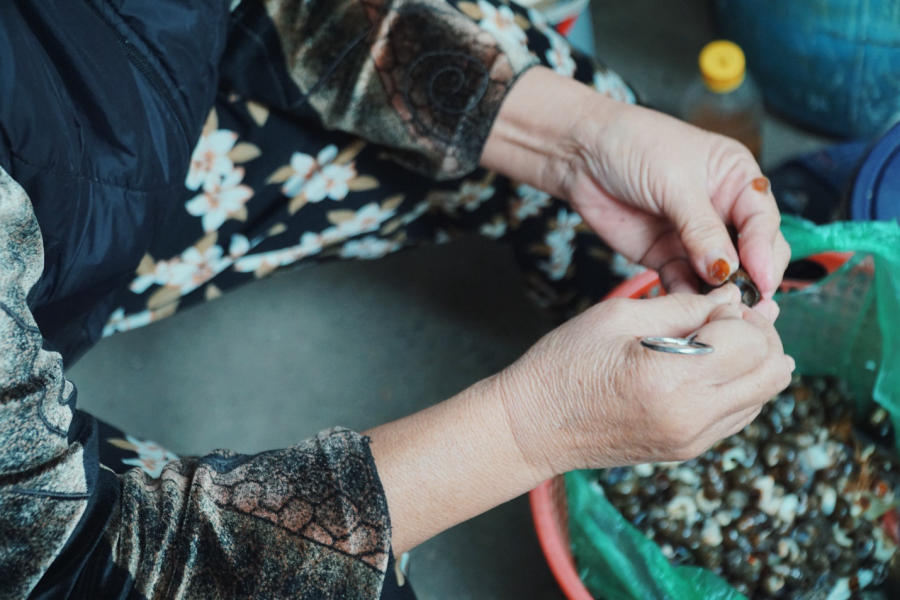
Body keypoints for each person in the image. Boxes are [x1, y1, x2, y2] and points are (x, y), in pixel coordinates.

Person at [0, 1, 793, 598]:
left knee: (568, 98)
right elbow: (65, 558)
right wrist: (534, 428)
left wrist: (575, 137)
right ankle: (627, 407)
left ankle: (653, 394)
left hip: (106, 153)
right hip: (30, 474)